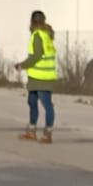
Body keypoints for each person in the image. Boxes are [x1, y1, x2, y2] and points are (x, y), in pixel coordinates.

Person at [18, 10, 57, 143]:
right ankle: (32, 131)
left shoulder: (38, 36)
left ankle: (47, 134)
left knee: (45, 105)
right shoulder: (47, 35)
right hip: (43, 76)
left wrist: (22, 65)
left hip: (39, 76)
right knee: (33, 102)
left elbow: (37, 56)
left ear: (32, 21)